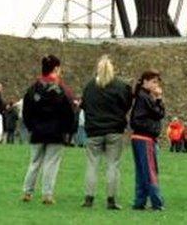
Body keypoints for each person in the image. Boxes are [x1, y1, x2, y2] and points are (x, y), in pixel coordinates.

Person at [80, 54, 133, 210]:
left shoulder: (89, 86)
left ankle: (89, 198)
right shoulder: (120, 86)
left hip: (94, 131)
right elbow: (127, 103)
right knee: (113, 165)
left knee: (92, 165)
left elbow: (84, 105)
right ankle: (111, 199)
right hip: (114, 130)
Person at [21, 54, 75, 205]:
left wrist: (31, 126)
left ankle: (27, 191)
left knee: (34, 162)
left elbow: (26, 111)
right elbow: (70, 111)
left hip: (37, 131)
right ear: (56, 68)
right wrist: (68, 130)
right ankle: (47, 194)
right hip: (56, 132)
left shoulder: (33, 88)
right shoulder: (62, 89)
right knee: (51, 163)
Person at [130, 70, 165, 211]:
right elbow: (158, 114)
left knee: (141, 172)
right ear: (145, 81)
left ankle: (140, 201)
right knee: (150, 171)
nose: (156, 85)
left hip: (138, 137)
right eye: (153, 81)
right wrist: (159, 98)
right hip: (145, 138)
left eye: (157, 82)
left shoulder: (141, 96)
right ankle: (157, 201)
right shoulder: (145, 98)